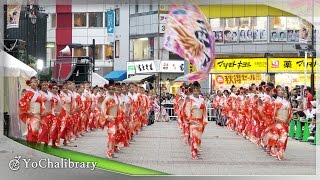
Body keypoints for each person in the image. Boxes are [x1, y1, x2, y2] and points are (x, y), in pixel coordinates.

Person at [184, 81, 208, 159]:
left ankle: (196, 150)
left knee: (198, 137)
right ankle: (193, 152)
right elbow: (186, 110)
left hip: (200, 120)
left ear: (199, 90)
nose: (196, 92)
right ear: (192, 91)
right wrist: (189, 119)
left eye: (197, 90)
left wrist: (204, 119)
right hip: (193, 119)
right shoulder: (189, 99)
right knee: (194, 136)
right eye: (194, 91)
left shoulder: (201, 99)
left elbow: (204, 110)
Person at [19, 76, 44, 143]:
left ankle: (34, 146)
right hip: (31, 114)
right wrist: (27, 111)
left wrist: (42, 111)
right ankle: (30, 147)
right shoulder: (28, 92)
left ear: (37, 83)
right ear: (29, 83)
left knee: (36, 130)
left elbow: (42, 104)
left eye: (35, 82)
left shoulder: (39, 93)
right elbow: (22, 102)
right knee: (31, 130)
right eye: (31, 82)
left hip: (38, 114)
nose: (33, 83)